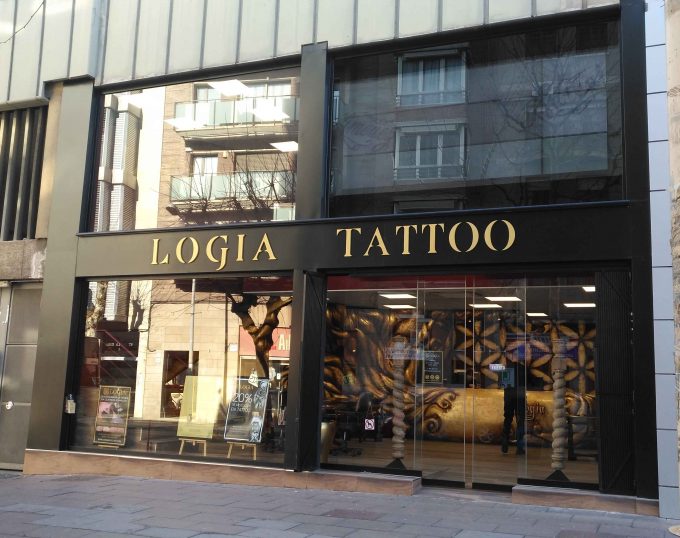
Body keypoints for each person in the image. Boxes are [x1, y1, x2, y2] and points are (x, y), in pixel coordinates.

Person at [501, 345, 527, 455]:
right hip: (520, 397)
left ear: (512, 357)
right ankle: (519, 447)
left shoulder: (507, 369)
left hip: (509, 397)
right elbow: (530, 383)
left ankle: (505, 442)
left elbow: (504, 384)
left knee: (507, 419)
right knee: (520, 421)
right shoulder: (523, 369)